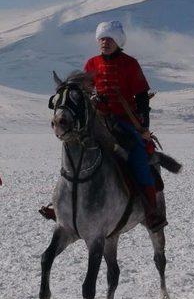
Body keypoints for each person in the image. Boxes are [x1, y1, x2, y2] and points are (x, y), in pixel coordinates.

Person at [40, 20, 167, 232]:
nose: (104, 43)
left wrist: (143, 126)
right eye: (101, 39)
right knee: (74, 155)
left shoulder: (130, 64)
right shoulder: (91, 64)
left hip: (125, 122)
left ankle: (150, 210)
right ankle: (61, 206)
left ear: (118, 41)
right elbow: (81, 95)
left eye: (108, 39)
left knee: (138, 158)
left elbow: (142, 97)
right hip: (97, 121)